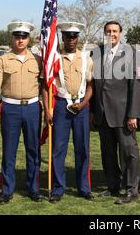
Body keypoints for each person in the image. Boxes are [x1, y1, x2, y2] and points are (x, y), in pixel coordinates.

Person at [0, 20, 42, 204]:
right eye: (17, 37)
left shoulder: (38, 60)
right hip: (10, 109)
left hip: (33, 108)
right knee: (9, 151)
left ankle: (33, 189)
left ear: (29, 39)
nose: (20, 40)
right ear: (12, 38)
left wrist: (48, 108)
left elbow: (46, 86)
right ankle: (7, 190)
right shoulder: (2, 60)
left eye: (24, 37)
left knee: (33, 150)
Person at [90, 21, 140, 204]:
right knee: (108, 152)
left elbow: (136, 85)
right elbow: (94, 86)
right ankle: (113, 185)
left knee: (129, 152)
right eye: (108, 31)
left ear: (120, 33)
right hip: (103, 112)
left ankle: (131, 190)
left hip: (123, 114)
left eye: (114, 31)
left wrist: (133, 114)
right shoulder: (97, 53)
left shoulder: (131, 54)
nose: (111, 34)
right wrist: (93, 111)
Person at [43, 22, 94, 204]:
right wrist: (47, 108)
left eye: (74, 36)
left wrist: (84, 104)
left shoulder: (87, 58)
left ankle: (84, 188)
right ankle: (58, 188)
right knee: (58, 149)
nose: (71, 40)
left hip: (81, 106)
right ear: (62, 37)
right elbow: (46, 86)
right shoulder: (54, 58)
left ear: (78, 38)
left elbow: (90, 87)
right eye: (67, 36)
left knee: (82, 149)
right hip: (60, 105)